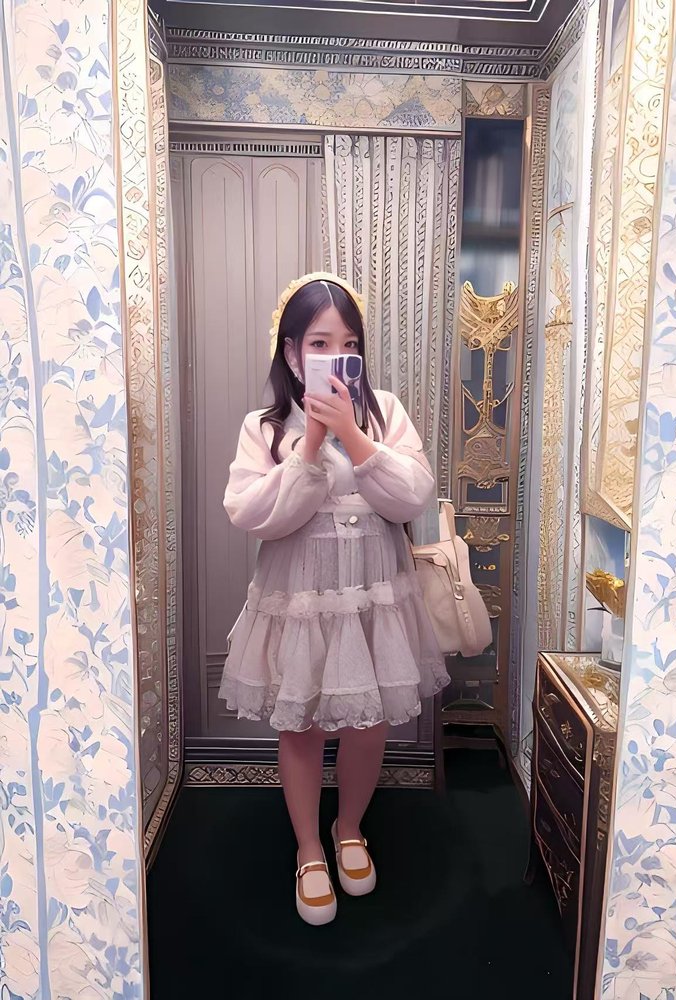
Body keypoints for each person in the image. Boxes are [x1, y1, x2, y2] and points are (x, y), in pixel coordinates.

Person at [220, 272, 450, 926]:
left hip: (372, 596)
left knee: (368, 721)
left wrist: (352, 433)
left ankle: (349, 828)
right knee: (302, 722)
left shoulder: (385, 411)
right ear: (292, 352)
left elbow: (411, 498)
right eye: (319, 343)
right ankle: (309, 848)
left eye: (348, 343)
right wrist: (311, 446)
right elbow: (253, 515)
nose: (335, 356)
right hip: (300, 596)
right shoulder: (263, 427)